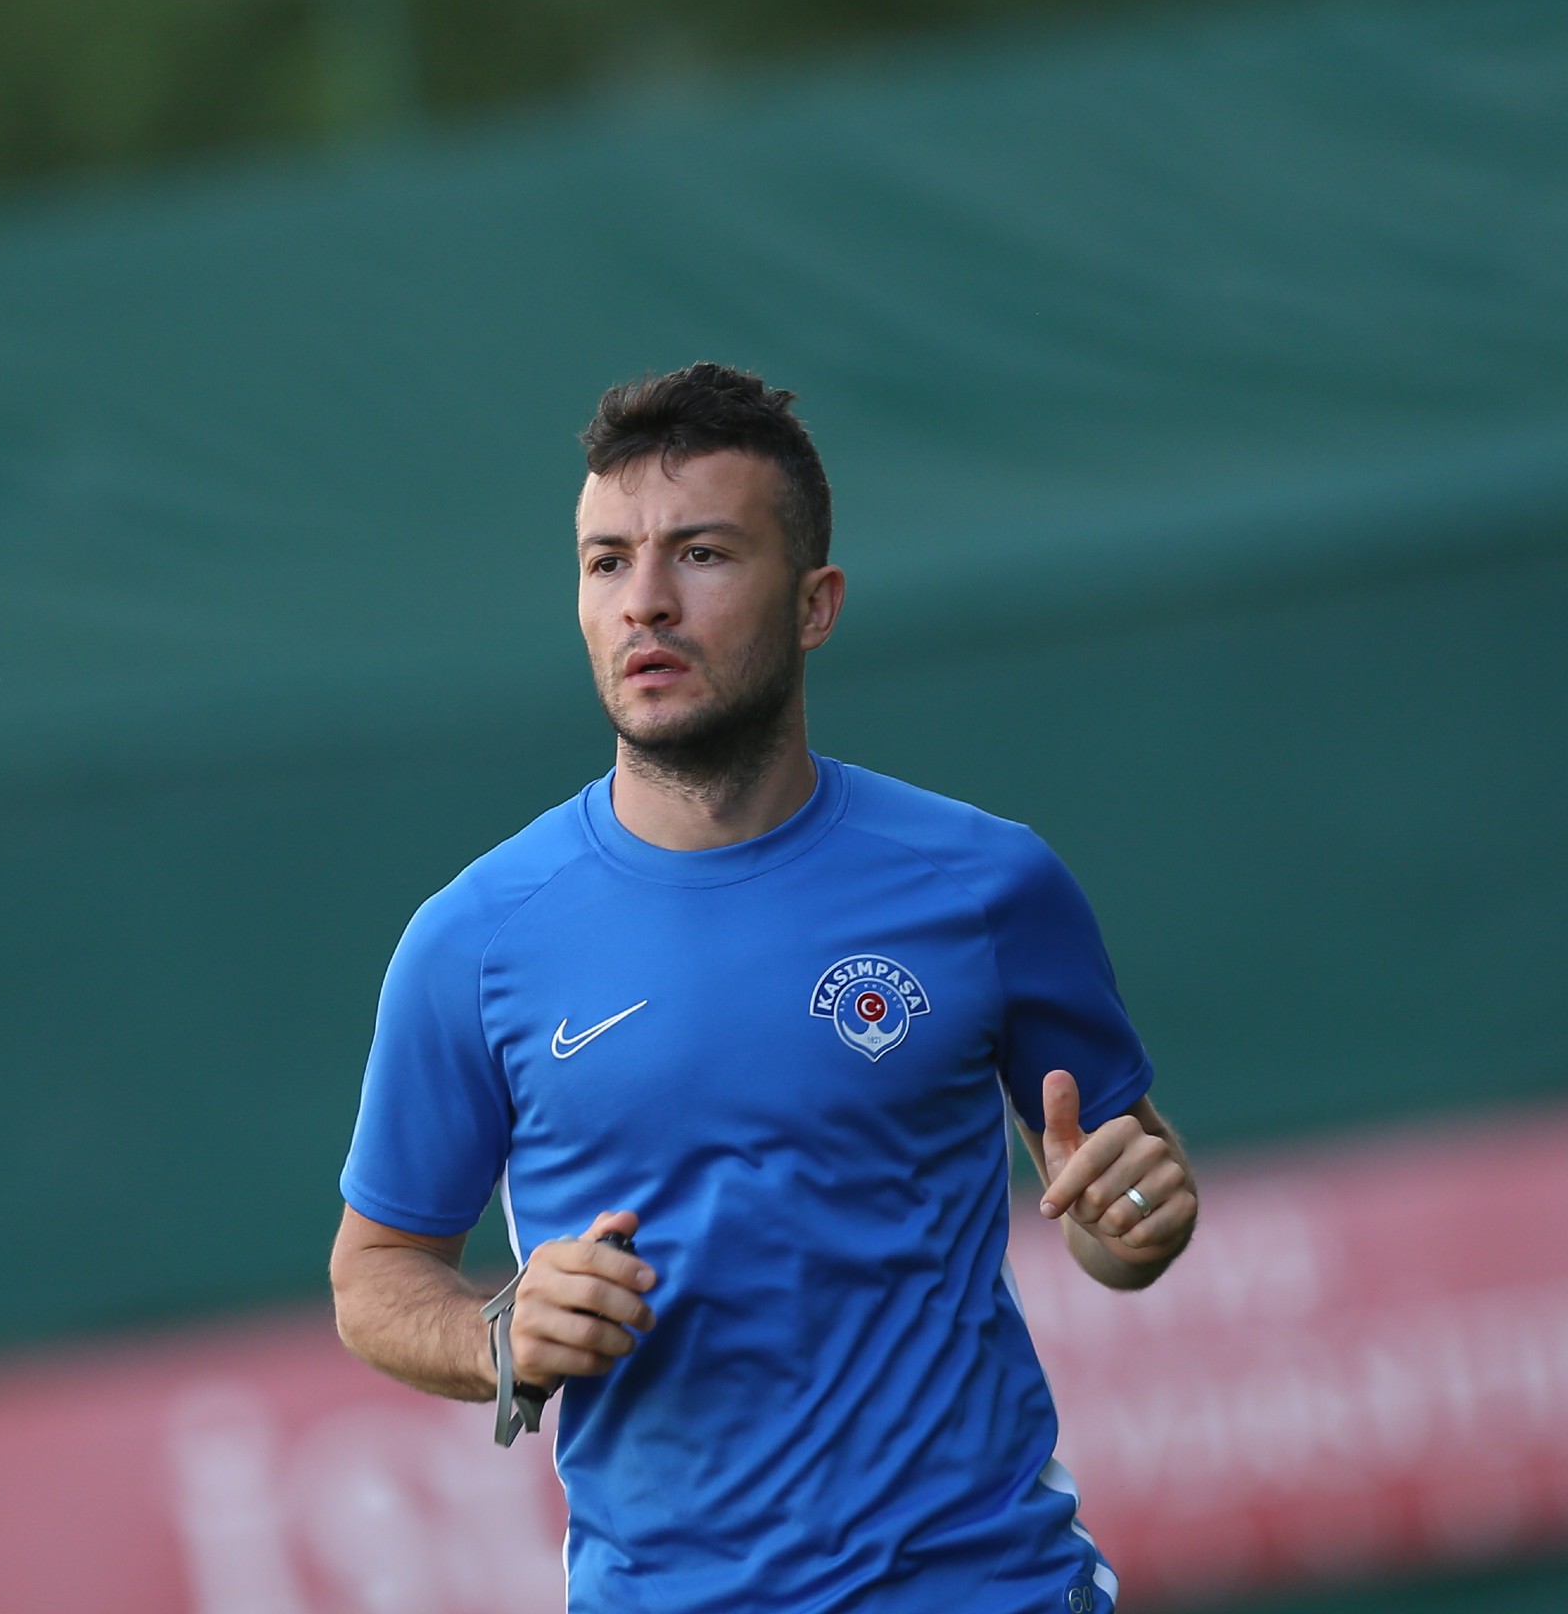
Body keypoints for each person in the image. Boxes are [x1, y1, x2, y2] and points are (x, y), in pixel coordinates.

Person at [331, 362, 1199, 1614]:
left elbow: (1117, 1201)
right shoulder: (472, 941)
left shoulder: (988, 883)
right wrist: (497, 1336)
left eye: (701, 554)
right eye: (607, 563)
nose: (646, 601)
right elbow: (375, 1275)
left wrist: (1136, 1226)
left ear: (815, 604)